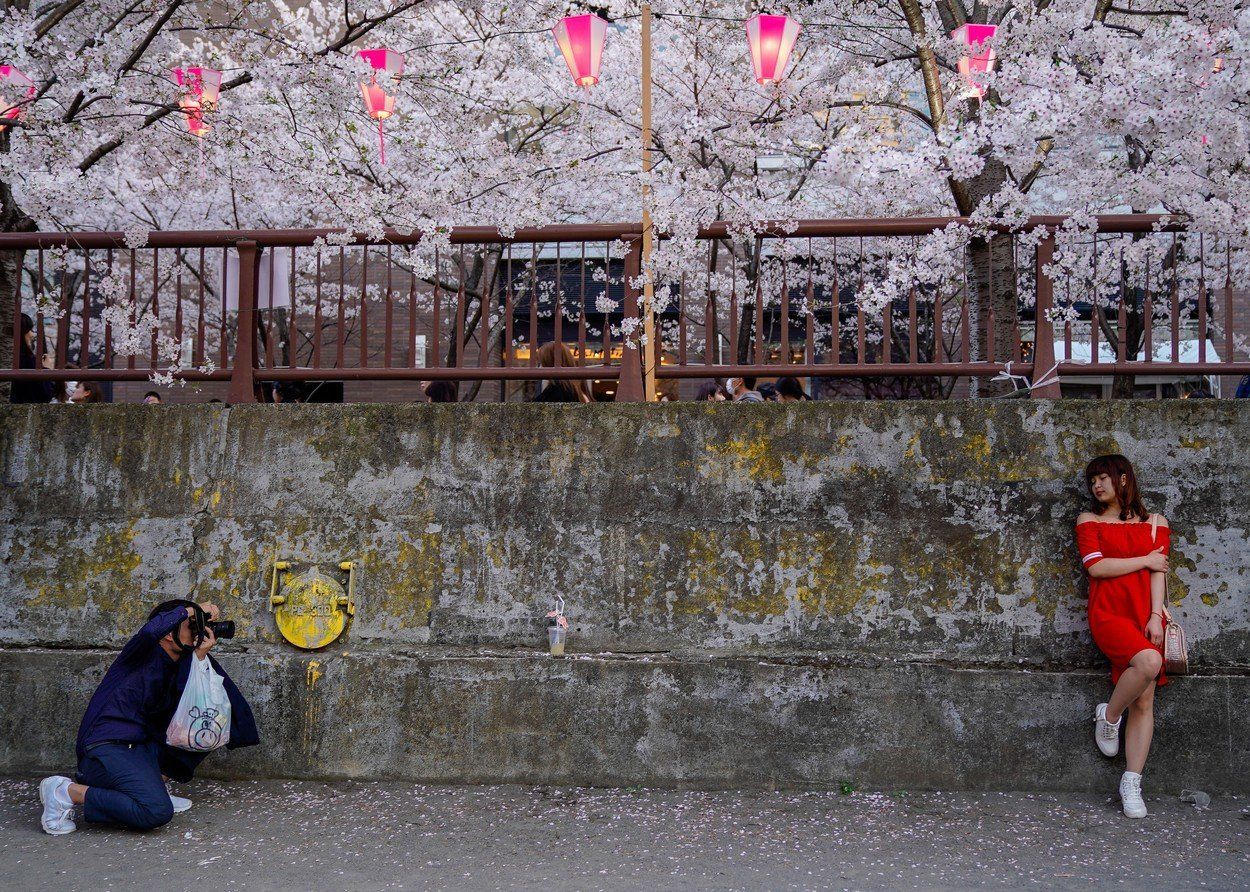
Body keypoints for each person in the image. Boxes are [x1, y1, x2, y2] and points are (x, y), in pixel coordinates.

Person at [38, 600, 258, 835]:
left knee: (204, 726)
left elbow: (208, 703)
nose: (196, 631)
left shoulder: (186, 661)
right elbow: (151, 630)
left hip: (140, 748)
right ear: (167, 634)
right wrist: (192, 610)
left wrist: (200, 656)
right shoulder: (140, 653)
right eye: (191, 626)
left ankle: (154, 785)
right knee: (155, 811)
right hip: (106, 749)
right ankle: (64, 792)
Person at [1075, 454, 1170, 820]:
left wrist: (1156, 616)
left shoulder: (1156, 523)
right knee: (1149, 661)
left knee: (1145, 703)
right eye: (1093, 480)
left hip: (1144, 616)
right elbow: (1096, 567)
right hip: (1108, 614)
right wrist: (1144, 560)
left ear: (1125, 480)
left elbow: (1159, 571)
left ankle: (1132, 782)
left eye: (1104, 478)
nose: (1098, 486)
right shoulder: (1089, 520)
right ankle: (1110, 715)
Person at [11, 313, 55, 404]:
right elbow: (45, 394)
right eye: (29, 329)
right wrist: (46, 370)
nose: (32, 334)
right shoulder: (27, 361)